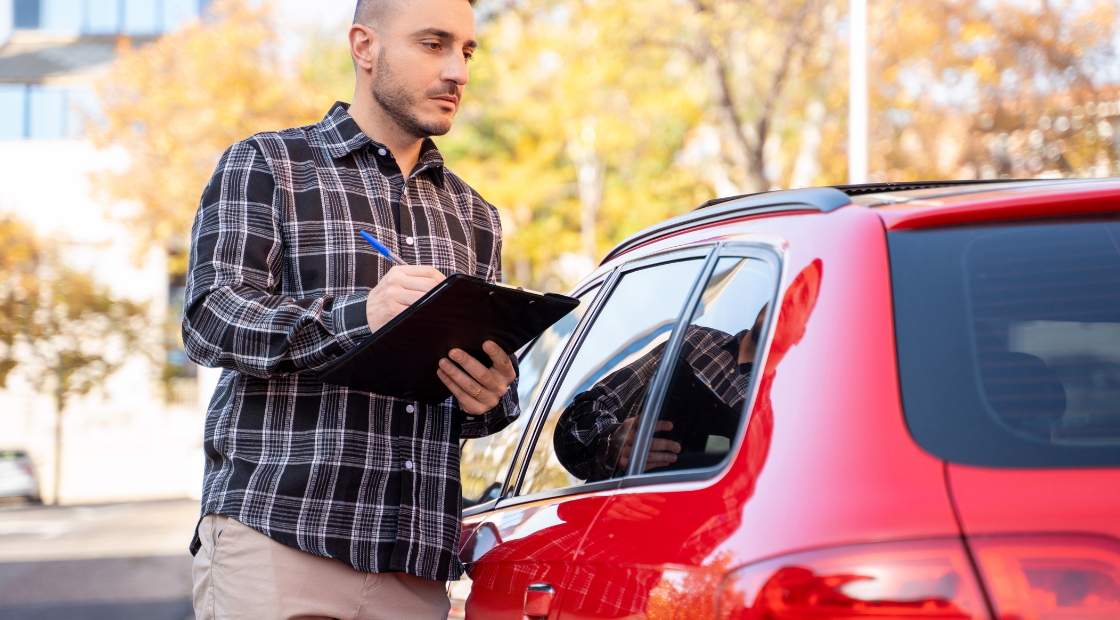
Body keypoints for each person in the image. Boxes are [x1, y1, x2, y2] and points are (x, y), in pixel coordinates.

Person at [180, 1, 517, 618]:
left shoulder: (478, 220)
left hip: (413, 571)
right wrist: (359, 316)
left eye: (467, 51)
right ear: (365, 47)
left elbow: (478, 403)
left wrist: (492, 394)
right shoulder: (267, 165)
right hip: (281, 546)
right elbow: (210, 317)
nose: (458, 73)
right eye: (434, 44)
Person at [554, 305, 768, 482]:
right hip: (605, 518)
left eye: (802, 298)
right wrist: (612, 441)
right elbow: (574, 422)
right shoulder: (694, 340)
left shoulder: (778, 406)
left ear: (800, 333)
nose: (788, 298)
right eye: (787, 288)